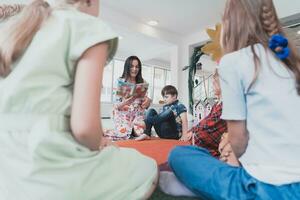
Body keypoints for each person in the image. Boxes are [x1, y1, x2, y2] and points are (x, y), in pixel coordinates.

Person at [0, 1, 158, 199]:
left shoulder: (19, 27)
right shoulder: (87, 26)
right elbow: (84, 129)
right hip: (51, 173)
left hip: (7, 174)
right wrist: (100, 142)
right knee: (145, 164)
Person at [169, 0, 300, 199]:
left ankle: (199, 187)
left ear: (232, 23)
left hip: (264, 189)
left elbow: (238, 142)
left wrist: (233, 152)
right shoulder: (291, 63)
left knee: (179, 155)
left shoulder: (234, 62)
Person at [105, 55, 151, 140]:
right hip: (122, 114)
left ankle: (136, 133)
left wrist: (148, 101)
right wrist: (126, 102)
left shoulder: (143, 82)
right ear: (127, 67)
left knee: (140, 131)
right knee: (123, 131)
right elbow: (116, 106)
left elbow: (145, 105)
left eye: (137, 67)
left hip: (137, 114)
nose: (134, 69)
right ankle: (131, 133)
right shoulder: (120, 81)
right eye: (132, 66)